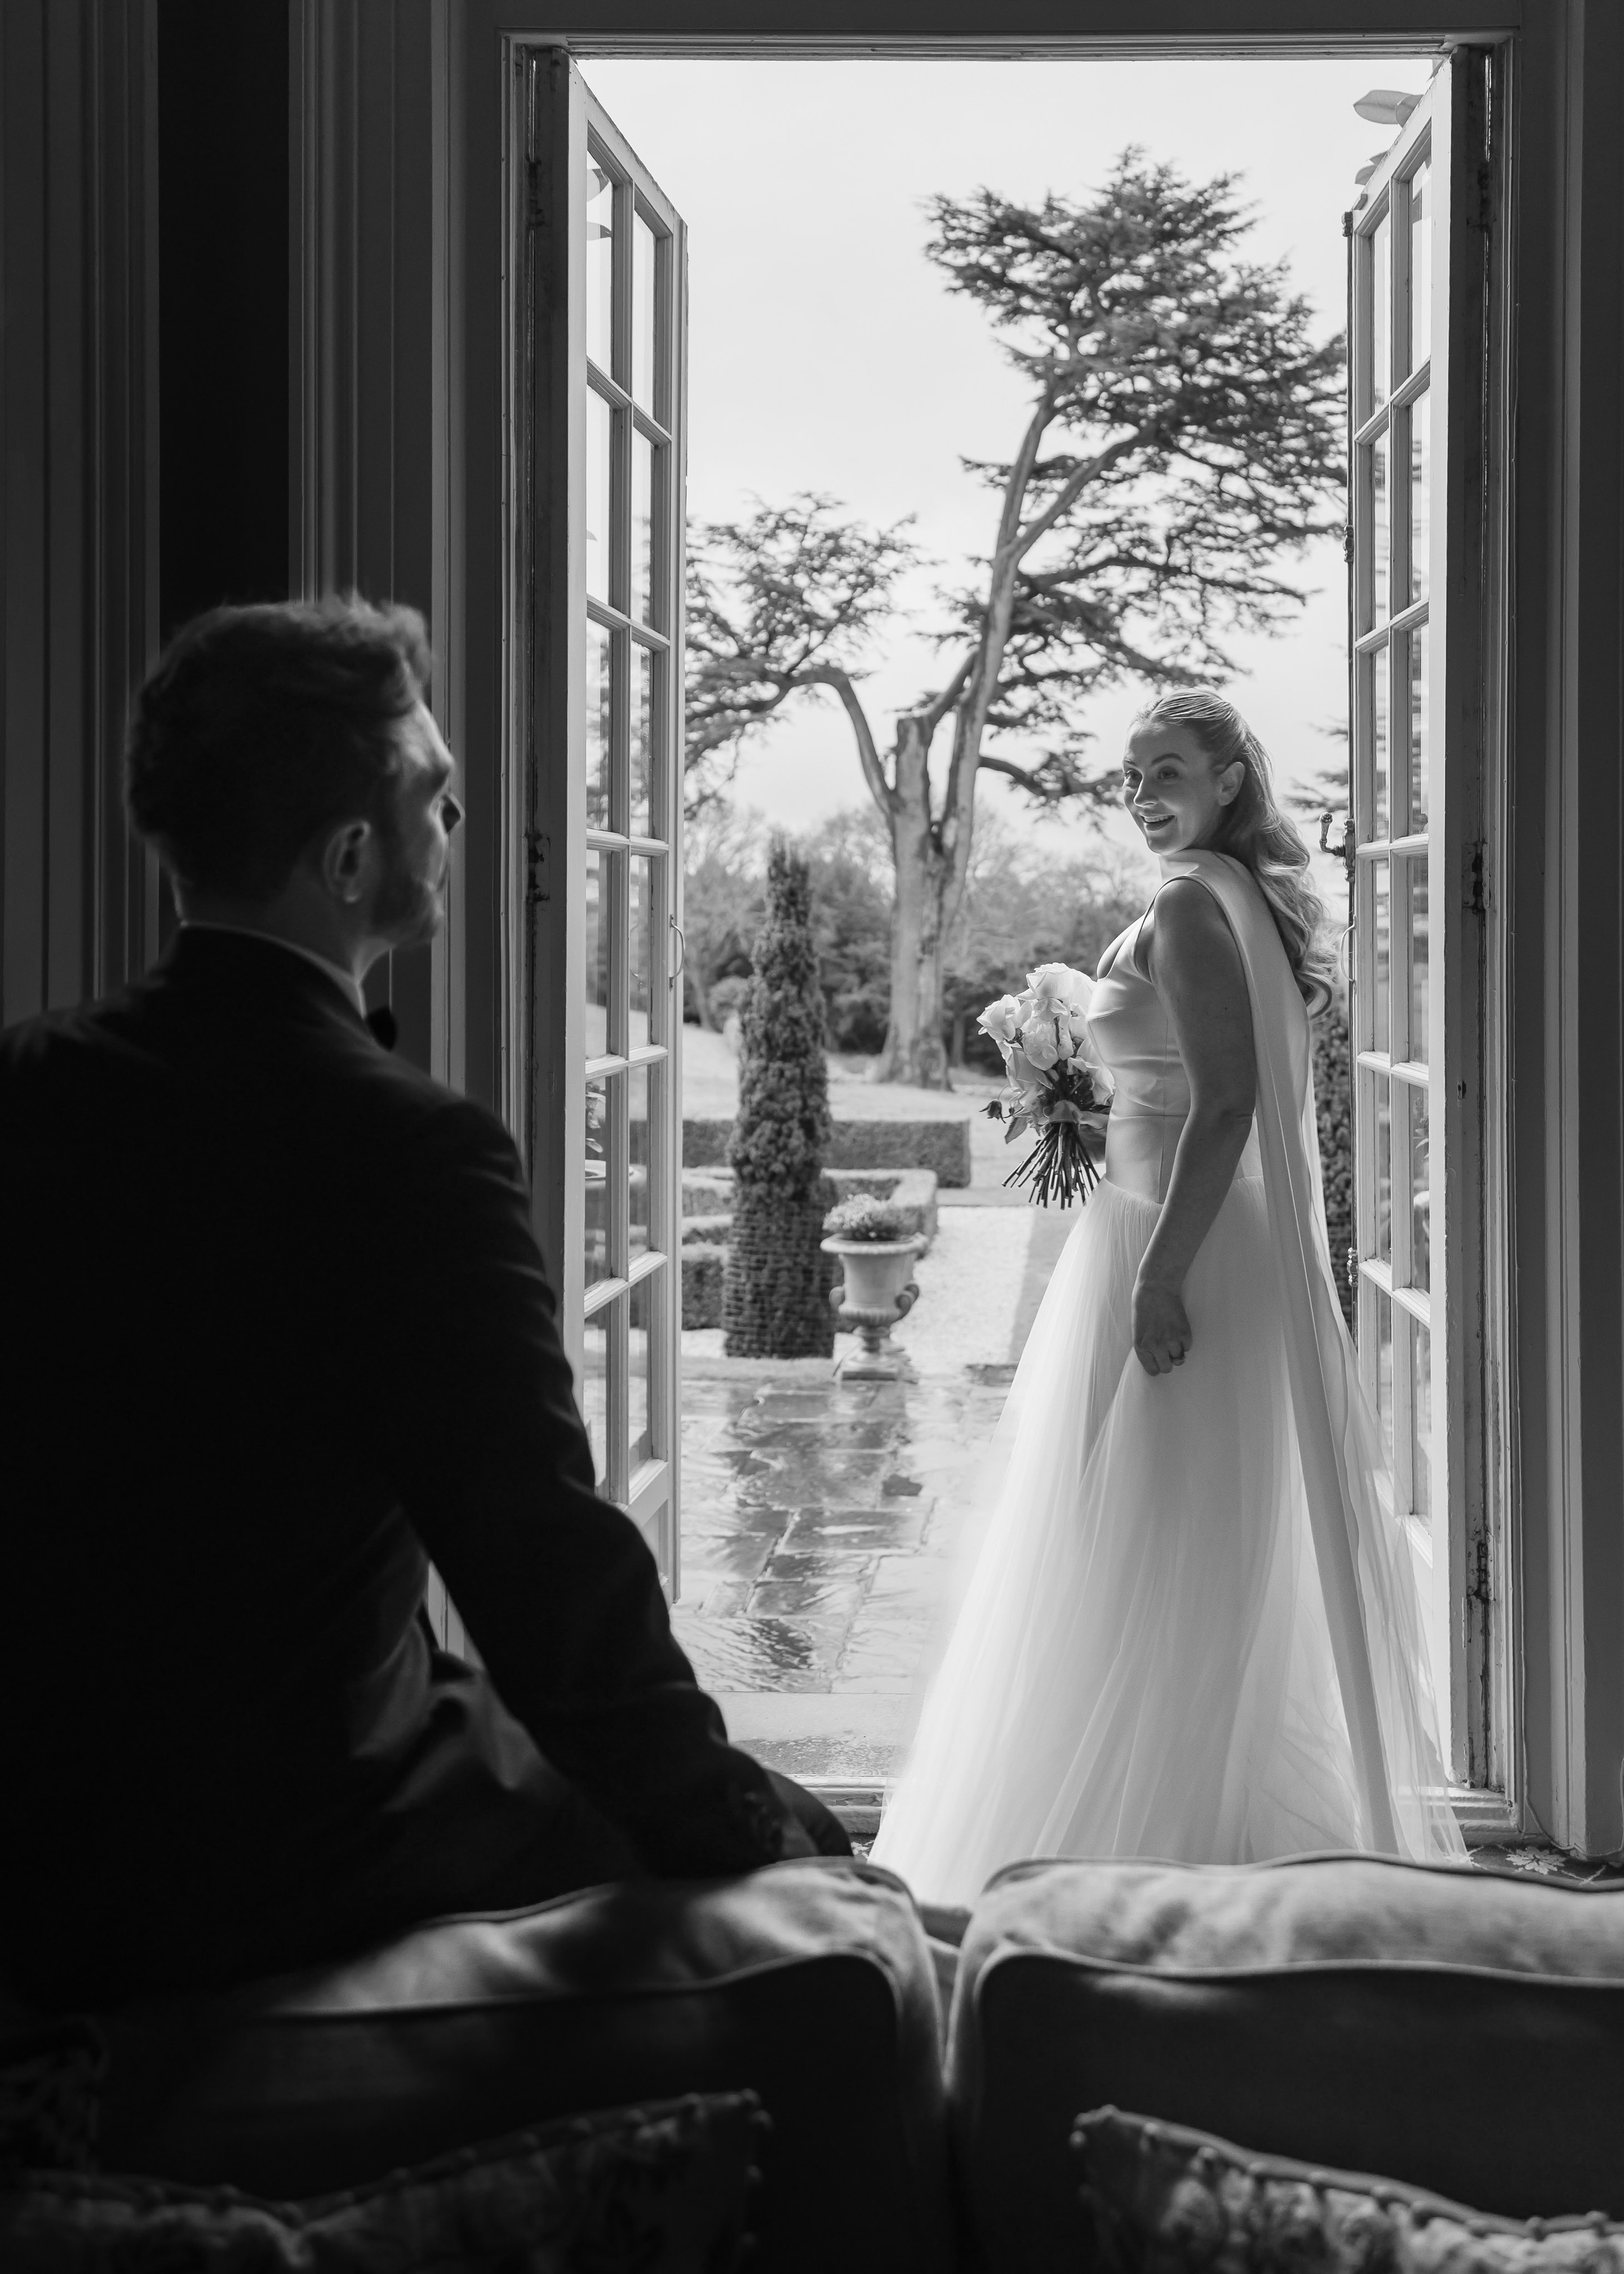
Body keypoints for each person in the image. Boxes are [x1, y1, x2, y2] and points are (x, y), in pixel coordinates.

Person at [0, 596, 846, 2014]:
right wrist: (765, 1844)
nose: (460, 808)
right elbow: (548, 1585)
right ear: (348, 861)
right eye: (434, 794)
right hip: (285, 1829)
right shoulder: (406, 1151)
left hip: (34, 1824)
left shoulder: (26, 1085)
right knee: (799, 1874)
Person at [871, 689, 1464, 1904]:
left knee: (1137, 1539)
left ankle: (1137, 1852)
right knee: (1171, 1538)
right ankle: (1196, 1838)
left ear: (1230, 779)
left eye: (1169, 770)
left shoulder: (1194, 905)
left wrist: (1157, 1276)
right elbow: (1190, 1084)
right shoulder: (1232, 897)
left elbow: (1228, 1105)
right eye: (1131, 775)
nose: (1143, 792)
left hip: (1174, 1250)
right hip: (1185, 1234)